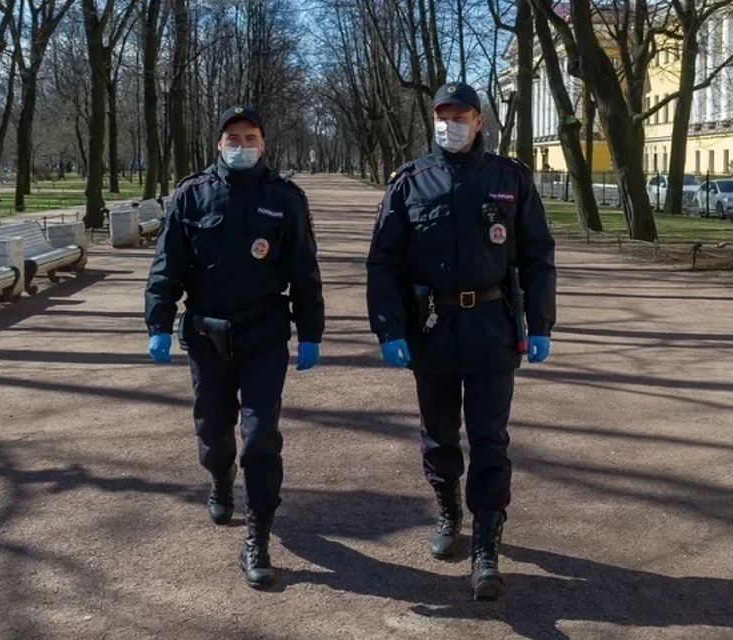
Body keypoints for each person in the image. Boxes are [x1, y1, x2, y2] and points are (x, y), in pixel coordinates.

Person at [365, 81, 556, 601]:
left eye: (461, 115)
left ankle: (486, 545)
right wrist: (388, 327)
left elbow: (538, 255)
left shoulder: (510, 179)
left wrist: (540, 323)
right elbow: (384, 260)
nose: (451, 123)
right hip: (432, 327)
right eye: (442, 114)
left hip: (493, 325)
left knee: (490, 438)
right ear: (433, 119)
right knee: (440, 432)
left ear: (479, 121)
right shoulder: (410, 182)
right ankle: (449, 510)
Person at [144, 105, 325, 589]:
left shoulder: (286, 199)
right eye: (232, 138)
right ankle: (220, 475)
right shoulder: (192, 196)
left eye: (250, 138)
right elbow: (167, 267)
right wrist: (158, 322)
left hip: (264, 332)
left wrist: (311, 331)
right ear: (218, 143)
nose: (240, 146)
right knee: (213, 427)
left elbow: (305, 273)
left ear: (263, 144)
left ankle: (258, 533)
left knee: (262, 431)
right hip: (207, 335)